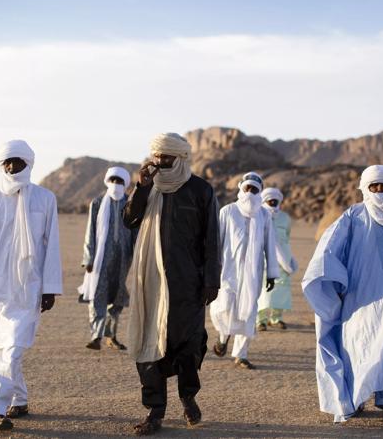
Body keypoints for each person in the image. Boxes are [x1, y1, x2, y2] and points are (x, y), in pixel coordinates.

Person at [302, 165, 383, 425]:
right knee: (359, 346)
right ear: (364, 188)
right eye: (373, 186)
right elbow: (329, 250)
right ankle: (353, 401)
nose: (379, 191)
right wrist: (332, 282)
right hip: (360, 296)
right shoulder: (352, 216)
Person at [123, 133, 221, 436]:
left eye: (166, 158)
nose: (160, 163)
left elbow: (211, 240)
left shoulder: (200, 191)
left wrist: (211, 280)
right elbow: (129, 220)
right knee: (148, 343)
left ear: (180, 158)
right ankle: (155, 411)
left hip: (188, 283)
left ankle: (188, 396)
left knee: (188, 344)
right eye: (156, 157)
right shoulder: (147, 188)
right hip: (150, 281)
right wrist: (141, 187)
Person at [0, 140, 62, 430]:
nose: (10, 167)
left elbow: (52, 245)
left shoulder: (45, 199)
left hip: (28, 285)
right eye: (6, 162)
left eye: (16, 161)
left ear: (28, 164)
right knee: (2, 348)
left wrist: (50, 287)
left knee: (13, 346)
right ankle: (19, 400)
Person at [210, 172, 279, 370]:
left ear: (259, 192)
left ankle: (241, 355)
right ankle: (223, 338)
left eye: (254, 189)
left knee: (248, 310)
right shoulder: (228, 211)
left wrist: (272, 273)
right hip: (228, 271)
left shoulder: (264, 215)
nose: (250, 192)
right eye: (247, 188)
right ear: (241, 189)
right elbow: (217, 241)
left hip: (253, 274)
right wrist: (213, 268)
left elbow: (270, 244)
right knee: (224, 307)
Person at [77, 167, 134, 351]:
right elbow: (90, 231)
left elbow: (135, 231)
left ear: (125, 184)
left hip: (123, 258)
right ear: (108, 181)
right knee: (98, 295)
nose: (116, 185)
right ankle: (96, 336)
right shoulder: (98, 203)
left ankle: (111, 335)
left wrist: (137, 255)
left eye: (119, 182)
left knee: (117, 297)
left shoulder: (130, 204)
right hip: (100, 259)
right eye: (113, 180)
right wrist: (88, 258)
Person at [256, 187, 298, 331]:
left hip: (283, 260)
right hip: (263, 259)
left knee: (281, 289)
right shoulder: (258, 215)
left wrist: (289, 257)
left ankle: (276, 319)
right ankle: (260, 320)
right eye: (269, 200)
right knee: (262, 289)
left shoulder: (285, 218)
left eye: (275, 200)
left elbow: (286, 237)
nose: (273, 202)